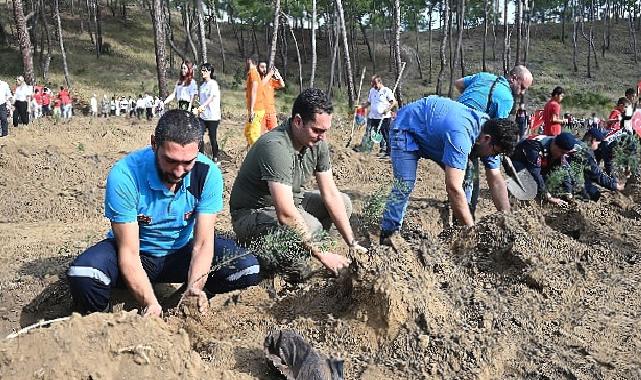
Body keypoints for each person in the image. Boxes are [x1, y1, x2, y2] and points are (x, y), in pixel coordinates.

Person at [67, 110, 261, 316]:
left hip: (180, 252)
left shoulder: (207, 173)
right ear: (154, 144)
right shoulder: (126, 175)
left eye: (188, 163)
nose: (178, 171)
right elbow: (129, 253)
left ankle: (186, 301)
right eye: (171, 160)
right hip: (138, 253)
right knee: (84, 274)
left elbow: (203, 243)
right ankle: (105, 322)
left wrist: (194, 288)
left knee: (246, 268)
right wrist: (149, 303)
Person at [230, 88, 364, 277]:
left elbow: (331, 194)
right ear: (298, 121)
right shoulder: (275, 147)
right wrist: (324, 254)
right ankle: (274, 258)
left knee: (344, 203)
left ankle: (302, 247)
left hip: (292, 204)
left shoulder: (317, 143)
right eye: (317, 130)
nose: (322, 137)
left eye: (325, 131)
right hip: (251, 215)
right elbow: (285, 213)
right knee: (312, 229)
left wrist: (352, 243)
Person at [379, 96, 519, 244]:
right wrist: (472, 234)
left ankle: (459, 228)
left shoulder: (489, 132)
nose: (494, 156)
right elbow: (453, 187)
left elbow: (496, 179)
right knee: (404, 184)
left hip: (435, 134)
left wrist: (507, 219)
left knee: (467, 178)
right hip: (407, 128)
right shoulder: (461, 136)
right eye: (495, 152)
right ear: (486, 139)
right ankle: (389, 233)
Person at [510, 132, 578, 207]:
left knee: (552, 182)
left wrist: (568, 192)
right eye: (562, 152)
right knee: (531, 186)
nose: (562, 155)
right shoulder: (535, 145)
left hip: (538, 166)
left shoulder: (557, 149)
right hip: (519, 163)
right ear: (554, 144)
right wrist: (548, 197)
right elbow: (534, 173)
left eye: (565, 153)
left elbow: (564, 171)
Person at [455, 65, 533, 120]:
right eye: (522, 87)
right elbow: (498, 129)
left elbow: (458, 83)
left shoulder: (484, 76)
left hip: (451, 112)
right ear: (513, 78)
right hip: (464, 124)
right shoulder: (507, 99)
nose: (522, 92)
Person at [577, 128, 625, 200]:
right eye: (598, 143)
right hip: (570, 179)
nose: (598, 146)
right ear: (593, 140)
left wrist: (613, 181)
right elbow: (597, 174)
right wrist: (615, 186)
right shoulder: (586, 154)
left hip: (574, 174)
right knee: (594, 194)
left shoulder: (581, 145)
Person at [357, 75, 397, 157]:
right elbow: (369, 102)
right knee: (368, 132)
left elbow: (393, 102)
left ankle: (388, 152)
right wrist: (361, 107)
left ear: (379, 82)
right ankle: (365, 148)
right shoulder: (372, 91)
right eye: (372, 84)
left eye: (375, 84)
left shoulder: (386, 91)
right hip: (372, 117)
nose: (373, 85)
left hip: (384, 117)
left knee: (385, 134)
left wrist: (388, 109)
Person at [194, 63, 222, 162]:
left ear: (210, 71)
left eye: (204, 70)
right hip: (202, 116)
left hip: (213, 116)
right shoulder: (202, 86)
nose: (202, 72)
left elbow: (211, 97)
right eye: (201, 70)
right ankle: (201, 157)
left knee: (212, 138)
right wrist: (196, 107)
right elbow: (199, 99)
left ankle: (215, 158)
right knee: (199, 135)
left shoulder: (213, 84)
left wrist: (203, 106)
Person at [257, 61, 285, 133]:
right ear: (257, 68)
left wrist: (278, 75)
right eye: (262, 67)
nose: (264, 69)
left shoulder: (270, 80)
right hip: (260, 113)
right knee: (260, 135)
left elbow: (282, 85)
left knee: (274, 134)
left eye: (265, 67)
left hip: (271, 112)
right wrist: (270, 74)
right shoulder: (256, 79)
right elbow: (261, 85)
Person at [244, 56, 265, 147]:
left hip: (256, 109)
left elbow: (254, 90)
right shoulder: (253, 73)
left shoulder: (253, 73)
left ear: (250, 61)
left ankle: (257, 156)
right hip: (255, 109)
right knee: (248, 132)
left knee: (253, 135)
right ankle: (250, 153)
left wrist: (252, 109)